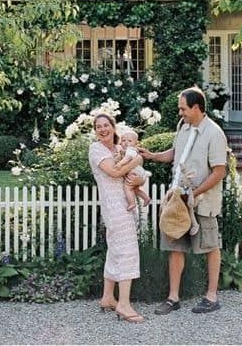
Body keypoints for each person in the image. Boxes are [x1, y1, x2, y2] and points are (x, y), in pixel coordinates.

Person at [139, 86, 227, 315]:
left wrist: (195, 194)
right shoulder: (184, 127)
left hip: (202, 202)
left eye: (183, 108)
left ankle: (211, 296)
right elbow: (176, 153)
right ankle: (173, 297)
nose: (180, 113)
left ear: (196, 107)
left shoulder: (214, 133)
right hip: (177, 201)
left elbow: (219, 172)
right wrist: (152, 156)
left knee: (210, 246)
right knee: (175, 248)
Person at [88, 113, 145, 323]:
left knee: (115, 249)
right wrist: (137, 160)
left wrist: (136, 173)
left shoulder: (120, 148)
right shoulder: (96, 149)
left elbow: (128, 174)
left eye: (106, 125)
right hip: (114, 207)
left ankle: (107, 297)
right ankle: (124, 304)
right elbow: (113, 172)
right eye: (98, 127)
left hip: (124, 203)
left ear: (113, 127)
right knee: (128, 251)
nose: (102, 129)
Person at [115, 129, 152, 211]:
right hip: (139, 173)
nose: (126, 142)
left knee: (127, 187)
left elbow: (127, 159)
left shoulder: (131, 150)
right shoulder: (126, 151)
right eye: (123, 140)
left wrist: (119, 164)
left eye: (129, 141)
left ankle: (132, 203)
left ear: (135, 143)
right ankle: (146, 198)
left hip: (135, 172)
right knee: (135, 189)